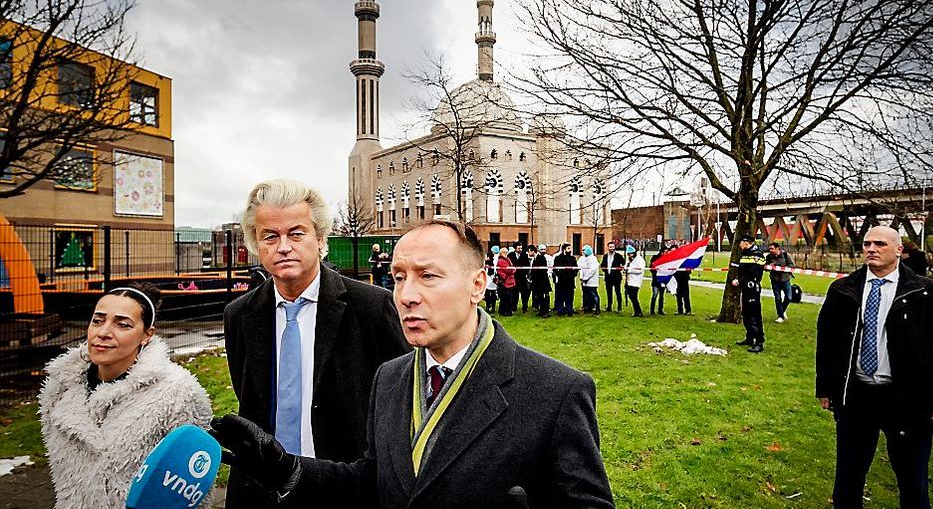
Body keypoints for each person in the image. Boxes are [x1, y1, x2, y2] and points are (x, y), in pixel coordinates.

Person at [211, 221, 615, 508]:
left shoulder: (556, 391)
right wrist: (287, 470)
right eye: (399, 276)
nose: (405, 295)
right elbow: (372, 480)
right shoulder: (390, 376)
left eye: (428, 276)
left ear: (478, 284)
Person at [223, 179, 409, 509]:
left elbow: (401, 404)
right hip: (263, 492)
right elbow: (248, 394)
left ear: (320, 238)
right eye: (270, 236)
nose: (283, 246)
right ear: (257, 245)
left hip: (345, 488)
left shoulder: (372, 308)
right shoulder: (240, 315)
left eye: (296, 233)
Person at [816, 226, 933, 509]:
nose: (872, 249)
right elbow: (828, 343)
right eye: (867, 243)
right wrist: (826, 388)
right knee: (848, 477)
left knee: (912, 480)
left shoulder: (927, 293)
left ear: (898, 250)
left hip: (907, 399)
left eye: (880, 244)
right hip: (858, 396)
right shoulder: (843, 290)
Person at [39, 283, 212, 509]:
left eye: (123, 324)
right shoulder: (61, 386)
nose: (103, 332)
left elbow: (192, 490)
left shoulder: (177, 393)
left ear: (147, 335)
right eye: (98, 320)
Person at [732, 235, 766, 353]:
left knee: (754, 314)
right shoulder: (746, 253)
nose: (739, 245)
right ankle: (750, 337)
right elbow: (744, 270)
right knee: (746, 313)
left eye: (740, 242)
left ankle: (759, 342)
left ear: (746, 242)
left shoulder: (756, 254)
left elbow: (753, 273)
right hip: (745, 288)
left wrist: (739, 281)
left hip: (752, 288)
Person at [765, 242, 795, 323]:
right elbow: (766, 267)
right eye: (770, 249)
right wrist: (770, 266)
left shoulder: (785, 255)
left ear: (777, 248)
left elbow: (792, 265)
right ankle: (780, 316)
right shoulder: (768, 257)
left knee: (789, 297)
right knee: (778, 298)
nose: (770, 250)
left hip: (785, 280)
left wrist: (782, 268)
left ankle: (782, 310)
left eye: (772, 248)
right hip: (775, 280)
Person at [553, 243, 579, 316]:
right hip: (561, 281)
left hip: (570, 281)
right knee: (560, 296)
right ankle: (560, 310)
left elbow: (576, 268)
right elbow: (555, 269)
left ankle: (569, 310)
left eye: (570, 248)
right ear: (564, 249)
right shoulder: (558, 258)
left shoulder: (572, 258)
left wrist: (573, 274)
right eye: (568, 248)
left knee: (570, 297)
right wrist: (561, 275)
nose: (570, 250)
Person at [601, 242, 625, 312]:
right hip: (608, 278)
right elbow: (602, 265)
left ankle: (619, 307)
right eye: (610, 247)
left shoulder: (618, 256)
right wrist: (605, 271)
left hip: (617, 277)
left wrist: (620, 269)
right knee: (609, 293)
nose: (612, 248)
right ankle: (609, 307)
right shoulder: (605, 256)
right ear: (608, 247)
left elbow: (623, 264)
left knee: (618, 292)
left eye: (613, 247)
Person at [577, 245, 601, 314]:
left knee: (593, 294)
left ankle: (597, 308)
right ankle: (587, 308)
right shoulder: (582, 258)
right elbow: (580, 267)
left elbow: (592, 270)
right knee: (586, 294)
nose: (583, 252)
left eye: (584, 250)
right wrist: (582, 278)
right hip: (584, 280)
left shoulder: (593, 259)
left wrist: (586, 278)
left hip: (592, 280)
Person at [531, 244, 552, 318]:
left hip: (542, 282)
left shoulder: (541, 258)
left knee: (544, 297)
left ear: (533, 251)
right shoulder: (535, 258)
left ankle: (546, 311)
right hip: (537, 282)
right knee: (540, 297)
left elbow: (543, 270)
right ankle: (541, 311)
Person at [648, 245, 670, 315]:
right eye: (665, 252)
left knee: (661, 295)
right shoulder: (655, 258)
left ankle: (660, 310)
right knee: (655, 294)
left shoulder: (667, 259)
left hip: (663, 280)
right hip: (656, 280)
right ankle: (652, 310)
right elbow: (651, 268)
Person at [510, 242, 531, 313]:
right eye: (519, 248)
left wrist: (525, 273)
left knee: (524, 293)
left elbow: (527, 265)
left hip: (522, 277)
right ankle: (513, 307)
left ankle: (525, 307)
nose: (520, 249)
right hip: (514, 277)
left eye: (521, 248)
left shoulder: (524, 255)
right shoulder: (511, 255)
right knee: (514, 293)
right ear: (515, 248)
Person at [625, 245, 645, 317]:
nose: (630, 255)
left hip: (636, 281)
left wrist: (629, 270)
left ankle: (638, 311)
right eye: (629, 254)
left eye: (631, 253)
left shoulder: (640, 259)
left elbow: (640, 270)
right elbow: (626, 266)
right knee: (631, 297)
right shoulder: (629, 259)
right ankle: (636, 311)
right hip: (629, 281)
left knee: (634, 297)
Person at [496, 247, 517, 316]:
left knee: (508, 297)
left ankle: (507, 311)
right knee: (505, 298)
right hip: (505, 281)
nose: (506, 254)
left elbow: (511, 268)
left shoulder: (507, 259)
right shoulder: (501, 261)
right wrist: (513, 270)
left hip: (509, 281)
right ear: (501, 253)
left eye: (506, 252)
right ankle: (505, 311)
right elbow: (509, 270)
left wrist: (512, 269)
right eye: (504, 252)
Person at [484, 245, 499, 313]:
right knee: (492, 294)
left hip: (490, 279)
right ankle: (492, 307)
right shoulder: (496, 259)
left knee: (489, 294)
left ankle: (489, 306)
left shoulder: (489, 262)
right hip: (492, 279)